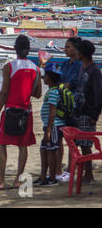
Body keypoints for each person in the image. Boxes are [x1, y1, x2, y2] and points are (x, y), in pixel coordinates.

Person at [0, 35, 42, 190]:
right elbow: (37, 94)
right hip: (26, 111)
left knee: (1, 143)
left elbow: (4, 92)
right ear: (29, 49)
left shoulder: (9, 67)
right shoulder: (35, 68)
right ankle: (18, 179)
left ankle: (0, 180)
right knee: (23, 145)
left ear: (15, 48)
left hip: (10, 111)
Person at [71, 40, 102, 183]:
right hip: (79, 111)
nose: (75, 53)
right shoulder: (83, 68)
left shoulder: (94, 70)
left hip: (88, 113)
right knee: (81, 144)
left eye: (77, 51)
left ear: (82, 53)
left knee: (86, 145)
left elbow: (98, 94)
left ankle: (88, 174)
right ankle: (85, 173)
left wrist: (94, 115)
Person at [55, 36, 82, 182]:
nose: (65, 49)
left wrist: (60, 86)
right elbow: (59, 81)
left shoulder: (79, 65)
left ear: (76, 49)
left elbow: (72, 83)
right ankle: (61, 167)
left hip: (75, 105)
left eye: (68, 47)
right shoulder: (64, 64)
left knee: (73, 139)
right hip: (62, 105)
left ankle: (72, 166)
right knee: (59, 136)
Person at [35, 63, 64, 186]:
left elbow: (52, 112)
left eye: (45, 76)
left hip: (53, 126)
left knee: (51, 150)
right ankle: (43, 177)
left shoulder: (53, 92)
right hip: (50, 126)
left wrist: (48, 129)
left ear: (50, 78)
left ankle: (52, 178)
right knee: (44, 149)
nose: (43, 78)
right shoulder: (52, 90)